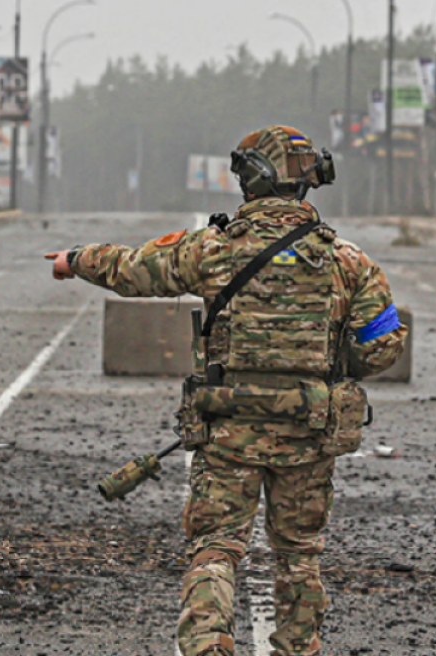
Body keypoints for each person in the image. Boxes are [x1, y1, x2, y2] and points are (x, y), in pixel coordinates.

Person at [45, 125, 407, 656]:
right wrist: (326, 366)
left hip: (226, 431)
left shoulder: (213, 250)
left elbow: (133, 270)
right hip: (308, 434)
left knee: (215, 549)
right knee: (300, 555)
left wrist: (74, 260)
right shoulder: (349, 261)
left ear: (250, 179)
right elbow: (383, 346)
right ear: (309, 182)